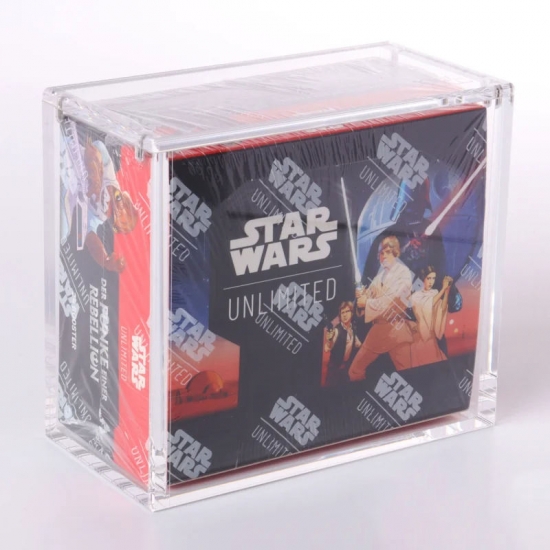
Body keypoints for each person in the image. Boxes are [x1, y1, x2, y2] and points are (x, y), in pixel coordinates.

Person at [61, 137, 137, 272]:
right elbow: (98, 146)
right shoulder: (109, 177)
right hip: (66, 156)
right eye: (118, 200)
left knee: (62, 231)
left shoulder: (99, 216)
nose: (110, 204)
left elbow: (90, 240)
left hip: (65, 190)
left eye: (113, 215)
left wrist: (106, 261)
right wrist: (95, 172)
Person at [348, 236, 414, 381]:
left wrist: (366, 302)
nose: (383, 256)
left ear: (396, 253)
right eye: (381, 253)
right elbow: (365, 302)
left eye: (388, 252)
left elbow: (391, 300)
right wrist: (361, 297)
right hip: (378, 331)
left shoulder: (403, 273)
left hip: (396, 330)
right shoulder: (379, 277)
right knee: (355, 371)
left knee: (407, 374)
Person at [410, 266, 452, 367]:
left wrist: (446, 292)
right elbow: (428, 305)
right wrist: (443, 289)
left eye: (433, 278)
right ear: (422, 278)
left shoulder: (434, 293)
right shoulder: (415, 296)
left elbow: (441, 309)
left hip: (432, 337)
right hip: (422, 337)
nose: (431, 282)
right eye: (428, 278)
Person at [324, 302, 361, 385]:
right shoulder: (337, 330)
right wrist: (329, 340)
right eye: (342, 312)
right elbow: (327, 348)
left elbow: (358, 344)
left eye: (347, 311)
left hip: (345, 368)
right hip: (334, 369)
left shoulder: (353, 329)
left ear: (352, 313)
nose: (344, 315)